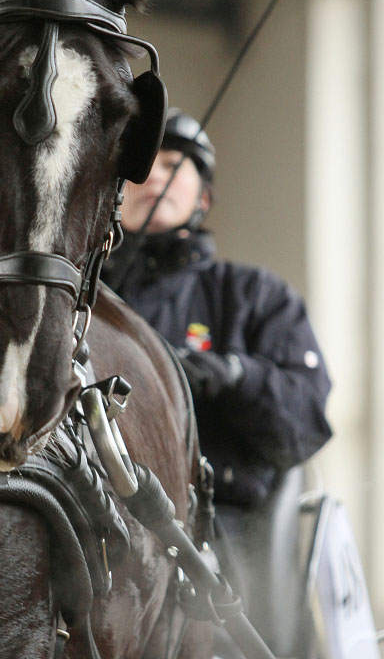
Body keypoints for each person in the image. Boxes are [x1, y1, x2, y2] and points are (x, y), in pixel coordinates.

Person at [105, 108, 332, 509]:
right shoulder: (81, 298)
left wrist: (236, 377)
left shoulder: (255, 294)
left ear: (204, 197)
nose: (155, 174)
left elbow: (305, 425)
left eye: (173, 163)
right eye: (142, 165)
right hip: (95, 514)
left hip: (223, 521)